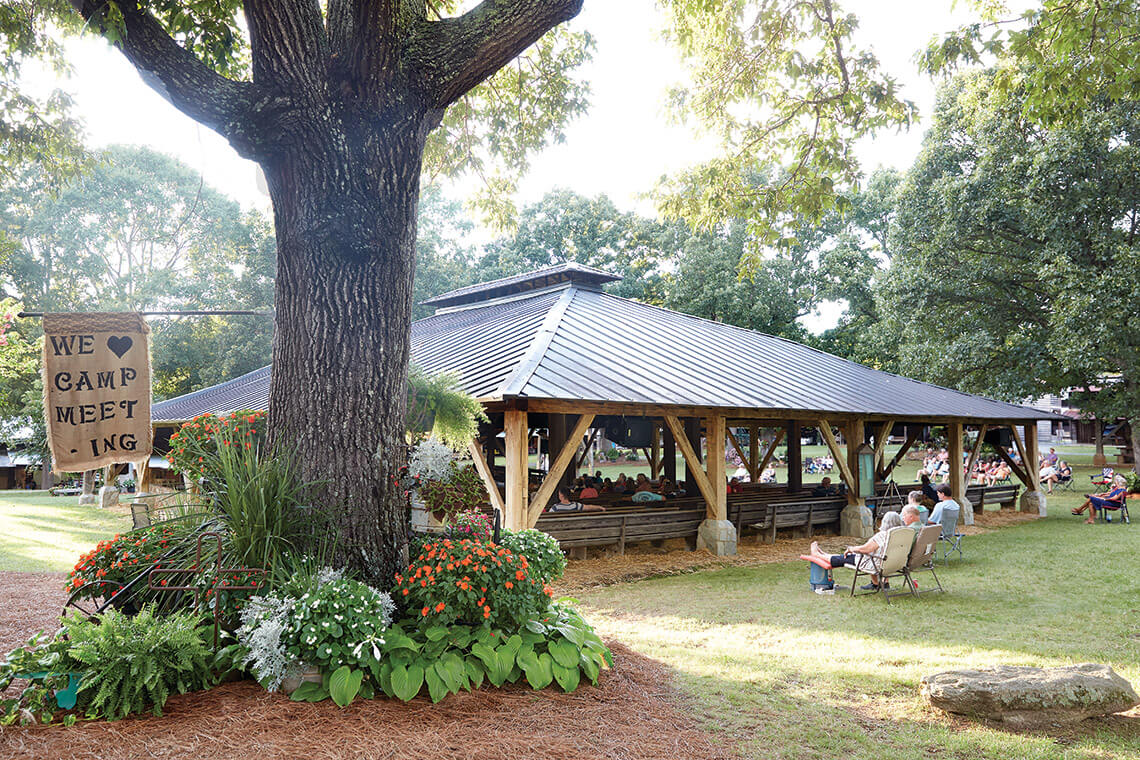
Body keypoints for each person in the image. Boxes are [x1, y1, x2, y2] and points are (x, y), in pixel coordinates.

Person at [806, 511, 909, 590]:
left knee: (844, 558)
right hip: (892, 564)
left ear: (885, 522)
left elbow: (865, 549)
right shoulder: (902, 536)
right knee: (847, 556)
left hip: (874, 563)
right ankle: (880, 584)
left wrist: (851, 549)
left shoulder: (882, 536)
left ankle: (817, 554)